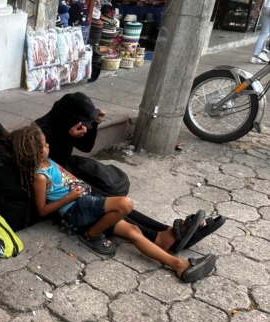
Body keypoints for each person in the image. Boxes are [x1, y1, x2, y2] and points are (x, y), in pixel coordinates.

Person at [10, 124, 217, 283]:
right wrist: (69, 198)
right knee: (124, 205)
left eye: (46, 143)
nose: (48, 146)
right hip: (76, 209)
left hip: (84, 202)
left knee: (133, 231)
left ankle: (178, 264)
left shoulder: (47, 162)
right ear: (34, 152)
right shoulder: (39, 177)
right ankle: (91, 235)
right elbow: (42, 210)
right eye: (44, 145)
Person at [35, 92, 225, 254]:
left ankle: (166, 230)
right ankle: (160, 237)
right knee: (103, 200)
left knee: (111, 191)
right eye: (82, 122)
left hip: (67, 174)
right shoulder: (42, 133)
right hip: (62, 183)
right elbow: (48, 166)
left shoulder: (64, 124)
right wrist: (67, 136)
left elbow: (85, 147)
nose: (83, 126)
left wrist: (93, 125)